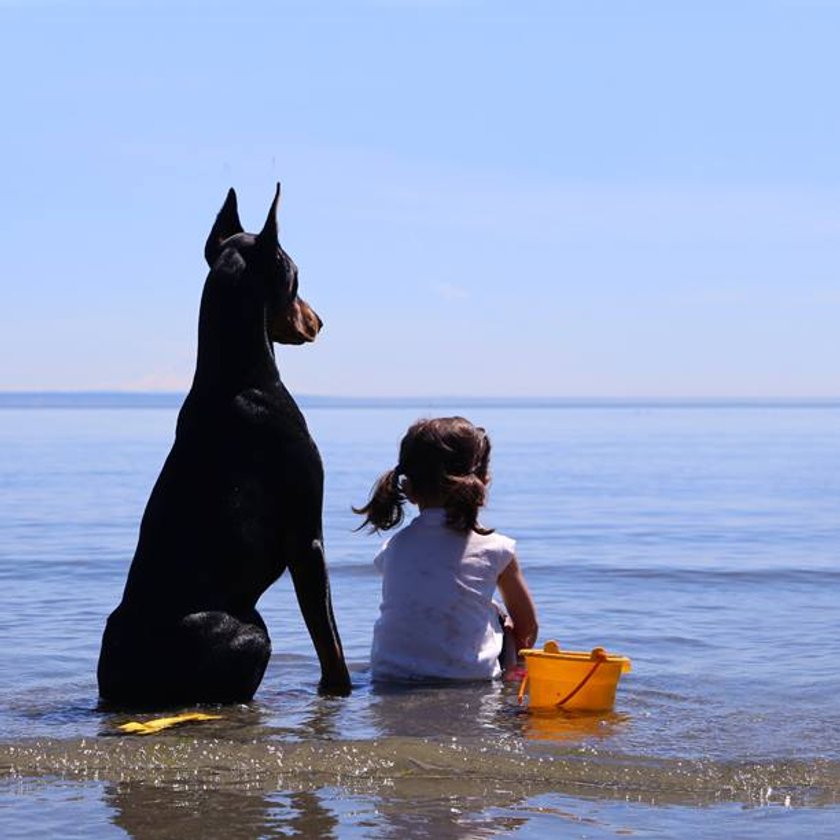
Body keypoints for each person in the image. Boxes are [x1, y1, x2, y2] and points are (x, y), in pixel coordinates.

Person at [354, 416, 538, 683]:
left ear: (409, 489)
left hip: (389, 676)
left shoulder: (393, 547)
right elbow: (528, 627)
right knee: (501, 618)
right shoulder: (497, 549)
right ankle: (514, 681)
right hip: (467, 682)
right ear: (484, 482)